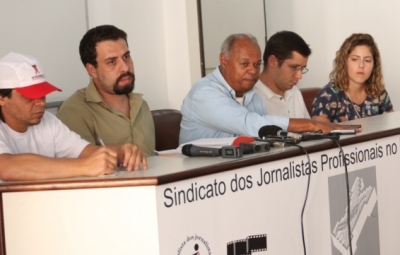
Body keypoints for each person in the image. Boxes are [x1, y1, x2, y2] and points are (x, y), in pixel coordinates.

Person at [179, 34, 359, 144]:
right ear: (224, 61)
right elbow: (250, 124)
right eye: (244, 64)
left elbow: (262, 139)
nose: (252, 70)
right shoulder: (204, 93)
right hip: (196, 185)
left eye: (257, 64)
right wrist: (313, 125)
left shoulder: (251, 95)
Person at [0, 52, 147, 181]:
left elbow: (85, 151)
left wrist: (119, 152)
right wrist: (84, 166)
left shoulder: (48, 121)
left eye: (43, 94)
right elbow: (6, 167)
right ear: (2, 98)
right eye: (30, 97)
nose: (40, 103)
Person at [57, 25, 155, 156]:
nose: (125, 68)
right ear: (92, 70)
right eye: (112, 62)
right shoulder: (74, 111)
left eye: (126, 57)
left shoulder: (141, 104)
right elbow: (81, 169)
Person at [311, 33, 394, 123]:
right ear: (344, 62)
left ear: (374, 65)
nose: (361, 65)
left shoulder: (378, 92)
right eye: (355, 59)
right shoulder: (328, 95)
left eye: (367, 60)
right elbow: (319, 131)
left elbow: (391, 126)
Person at [255, 31, 311, 118]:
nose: (299, 76)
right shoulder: (251, 98)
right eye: (294, 67)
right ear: (273, 62)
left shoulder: (294, 91)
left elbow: (309, 129)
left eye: (302, 68)